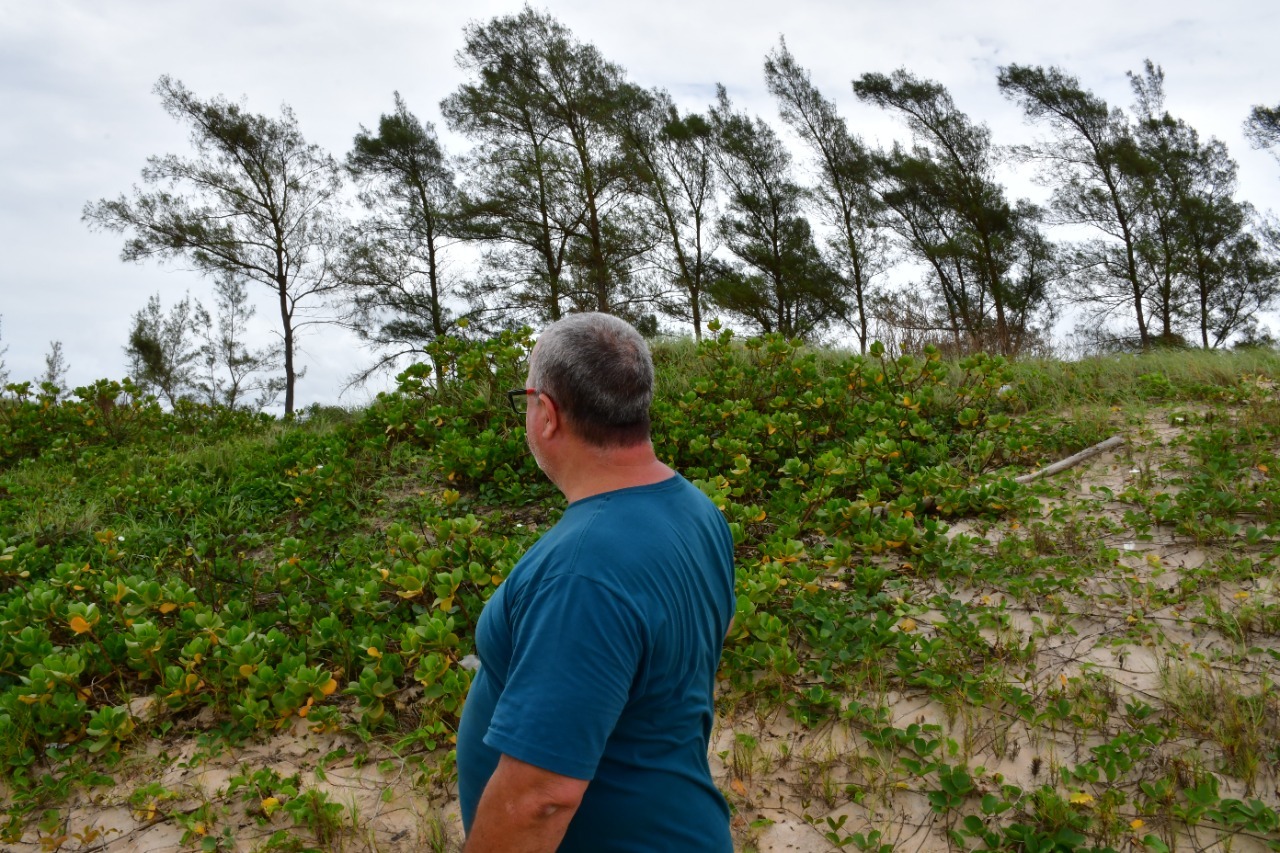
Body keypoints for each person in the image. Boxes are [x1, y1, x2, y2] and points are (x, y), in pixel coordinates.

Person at [456, 312, 736, 852]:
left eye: (528, 399)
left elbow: (541, 799)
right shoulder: (699, 512)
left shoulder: (580, 572)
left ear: (549, 414)